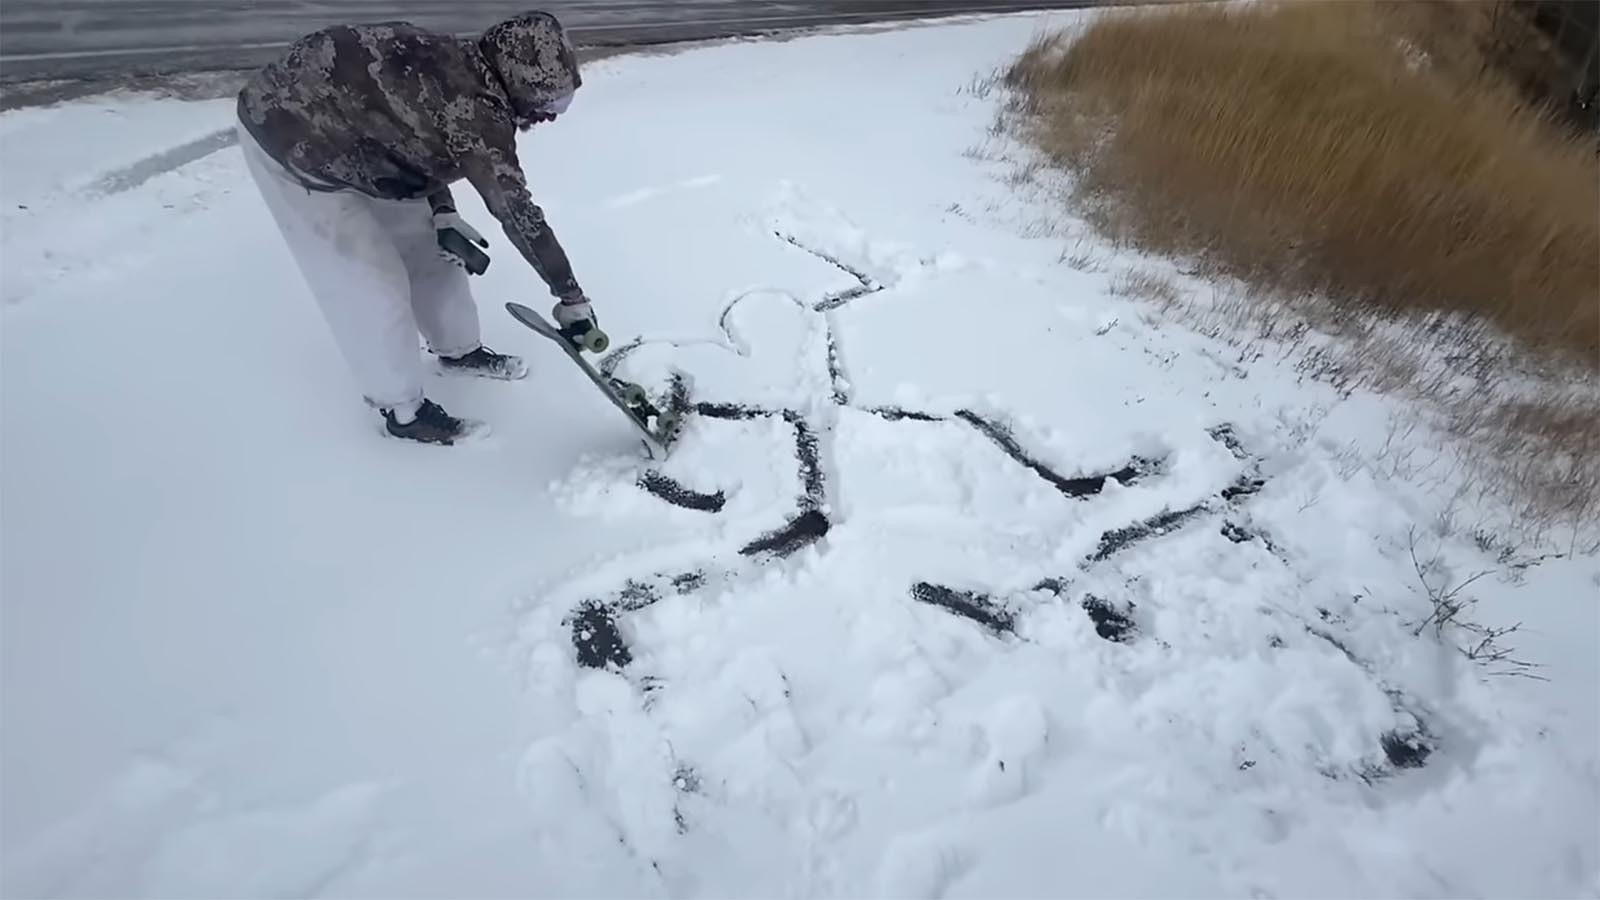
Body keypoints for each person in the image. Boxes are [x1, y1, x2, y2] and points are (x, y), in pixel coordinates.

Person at [235, 10, 600, 445]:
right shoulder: (475, 116)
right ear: (519, 84)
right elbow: (517, 211)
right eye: (548, 104)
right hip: (291, 139)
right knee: (370, 283)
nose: (552, 117)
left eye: (562, 104)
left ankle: (458, 353)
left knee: (436, 248)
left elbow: (411, 132)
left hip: (363, 142)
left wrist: (441, 208)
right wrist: (570, 296)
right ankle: (402, 411)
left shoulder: (469, 65)